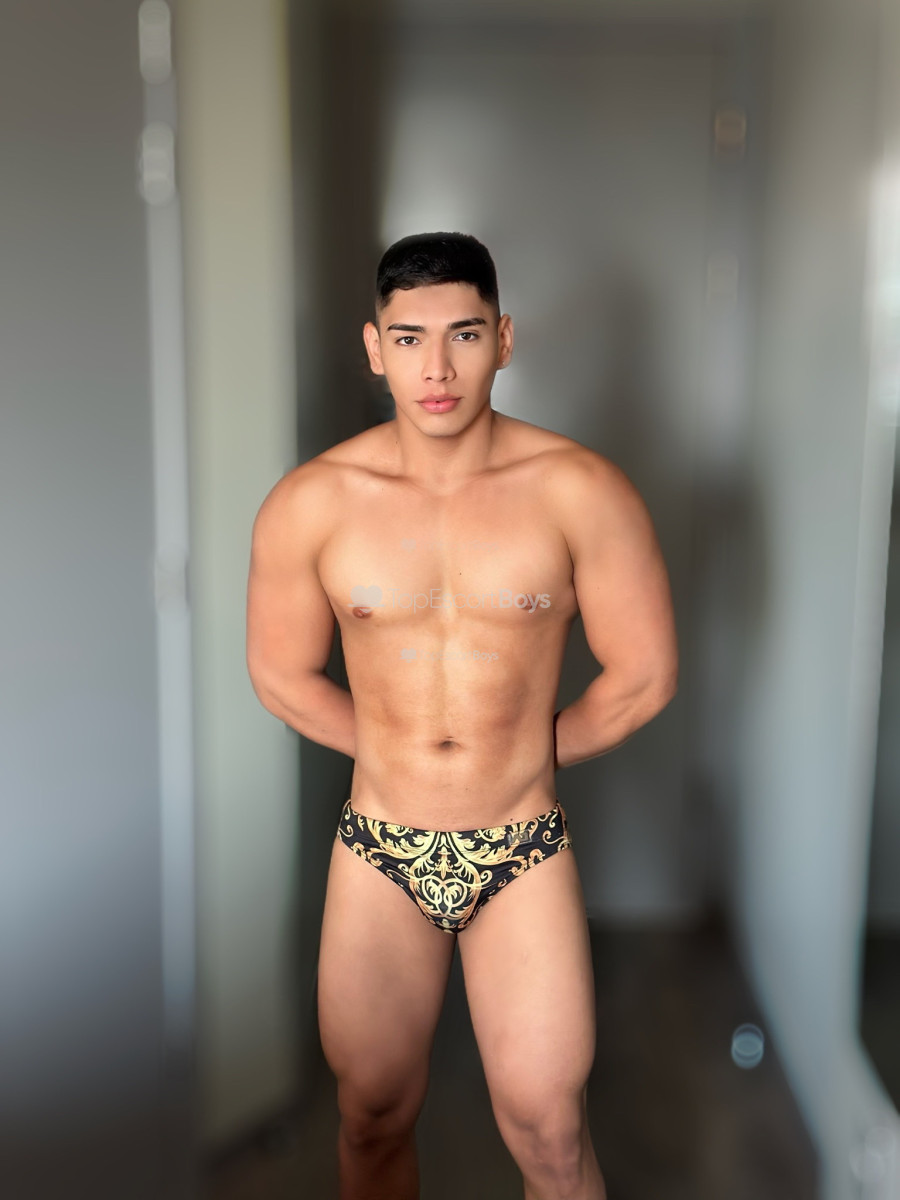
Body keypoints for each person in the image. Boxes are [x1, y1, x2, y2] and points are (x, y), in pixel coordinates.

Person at [246, 232, 678, 1200]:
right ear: (374, 348)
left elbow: (644, 675)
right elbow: (280, 674)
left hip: (520, 844)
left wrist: (520, 756)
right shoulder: (313, 503)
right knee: (371, 1116)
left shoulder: (580, 491)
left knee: (551, 1134)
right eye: (409, 339)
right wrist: (396, 751)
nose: (435, 369)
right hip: (381, 848)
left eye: (464, 335)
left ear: (505, 339)